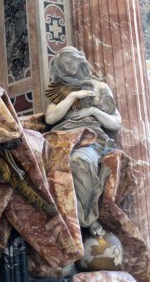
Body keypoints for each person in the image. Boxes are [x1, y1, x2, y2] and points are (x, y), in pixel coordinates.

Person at [44, 46, 122, 237]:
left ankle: (86, 219)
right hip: (62, 138)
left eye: (70, 62)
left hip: (89, 139)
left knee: (78, 162)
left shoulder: (100, 88)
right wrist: (71, 97)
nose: (69, 68)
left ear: (80, 61)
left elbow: (116, 122)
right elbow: (51, 119)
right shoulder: (60, 91)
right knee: (39, 165)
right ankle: (56, 225)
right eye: (64, 65)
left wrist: (93, 111)